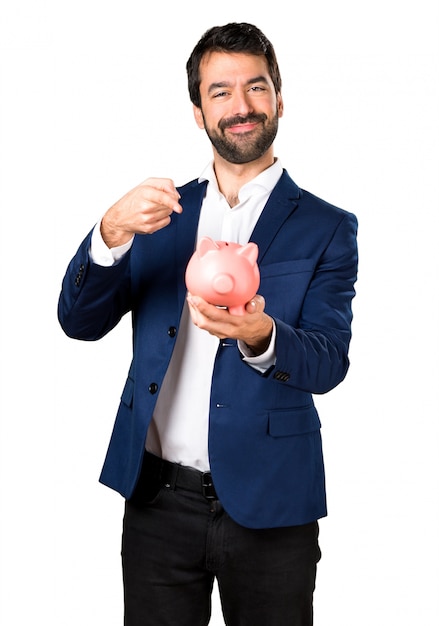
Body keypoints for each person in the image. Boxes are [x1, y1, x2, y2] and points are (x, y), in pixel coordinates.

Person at [58, 22, 358, 626]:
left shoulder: (326, 226)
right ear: (198, 111)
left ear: (279, 98)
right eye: (220, 92)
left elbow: (328, 362)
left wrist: (260, 336)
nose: (241, 106)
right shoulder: (159, 214)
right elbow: (79, 322)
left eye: (256, 87)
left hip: (274, 502)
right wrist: (109, 233)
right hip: (158, 502)